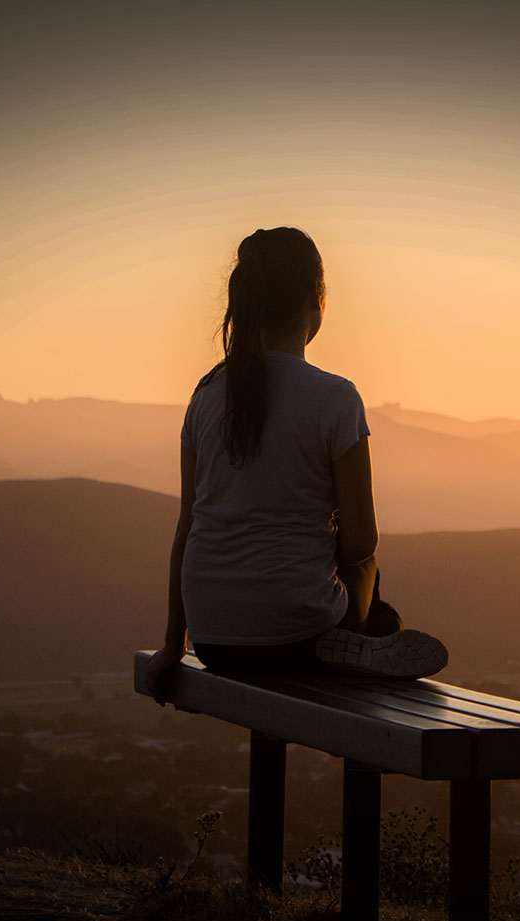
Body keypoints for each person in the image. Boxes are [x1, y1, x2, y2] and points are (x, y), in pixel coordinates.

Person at [143, 226, 448, 705]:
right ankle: (363, 638)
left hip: (214, 640)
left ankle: (356, 638)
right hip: (299, 634)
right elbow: (360, 542)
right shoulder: (335, 397)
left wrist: (170, 645)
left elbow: (187, 529)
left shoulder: (204, 395)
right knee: (371, 577)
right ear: (317, 300)